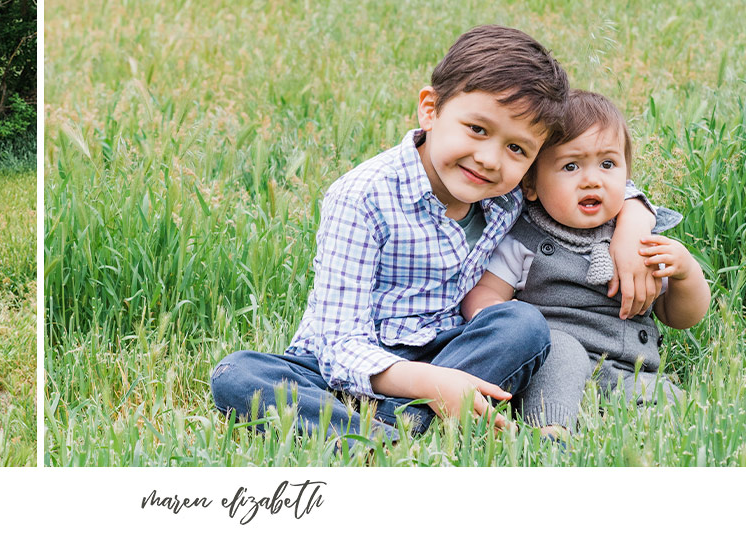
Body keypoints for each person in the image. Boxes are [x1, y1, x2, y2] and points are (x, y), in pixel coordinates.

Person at [211, 25, 663, 443]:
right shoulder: (363, 196)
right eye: (477, 129)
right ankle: (389, 428)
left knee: (523, 325)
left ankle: (391, 425)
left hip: (449, 349)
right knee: (237, 374)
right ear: (431, 110)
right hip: (342, 364)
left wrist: (634, 220)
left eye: (515, 148)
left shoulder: (506, 193)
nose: (489, 158)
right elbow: (338, 342)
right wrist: (431, 383)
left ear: (531, 164)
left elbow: (584, 180)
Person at [461, 90, 710, 436]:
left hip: (631, 369)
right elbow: (486, 292)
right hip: (554, 368)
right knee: (561, 354)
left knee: (678, 409)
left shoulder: (639, 241)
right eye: (571, 166)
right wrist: (499, 324)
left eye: (607, 164)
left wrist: (685, 273)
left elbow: (679, 316)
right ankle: (552, 430)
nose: (592, 179)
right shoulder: (524, 238)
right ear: (530, 184)